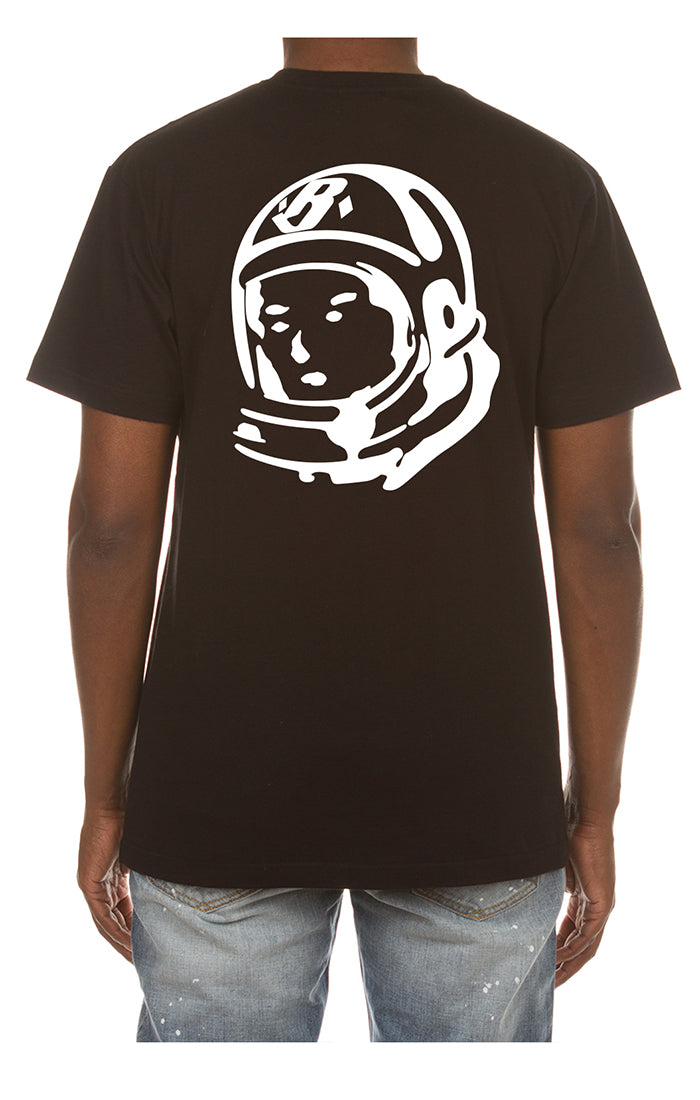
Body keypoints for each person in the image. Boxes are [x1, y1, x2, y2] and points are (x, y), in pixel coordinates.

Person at [26, 36, 680, 1043]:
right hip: (477, 793)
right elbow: (601, 532)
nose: (297, 345)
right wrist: (594, 809)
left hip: (213, 791)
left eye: (340, 309)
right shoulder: (551, 184)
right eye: (275, 316)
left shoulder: (160, 177)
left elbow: (108, 529)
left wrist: (106, 792)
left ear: (439, 317)